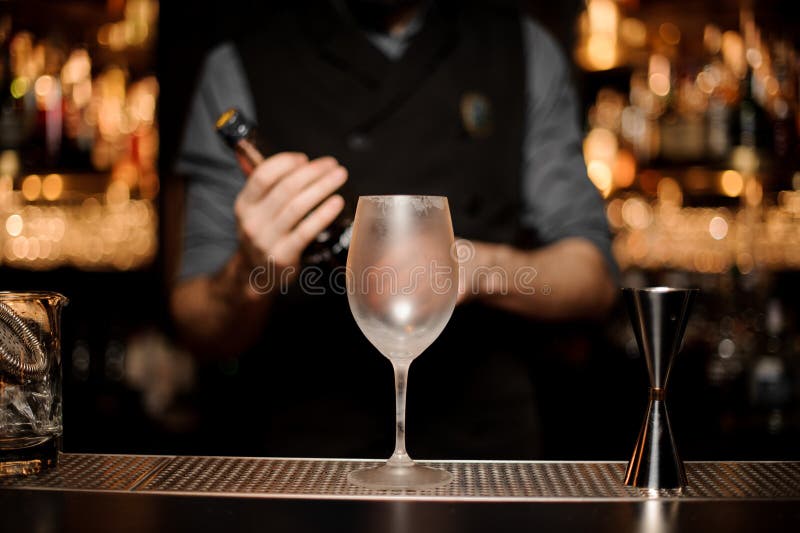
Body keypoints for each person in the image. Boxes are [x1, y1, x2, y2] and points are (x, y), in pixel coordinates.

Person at [170, 0, 617, 459]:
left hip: (483, 451)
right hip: (303, 454)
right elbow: (197, 328)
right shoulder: (237, 63)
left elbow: (594, 282)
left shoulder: (523, 49)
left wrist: (473, 267)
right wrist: (248, 271)